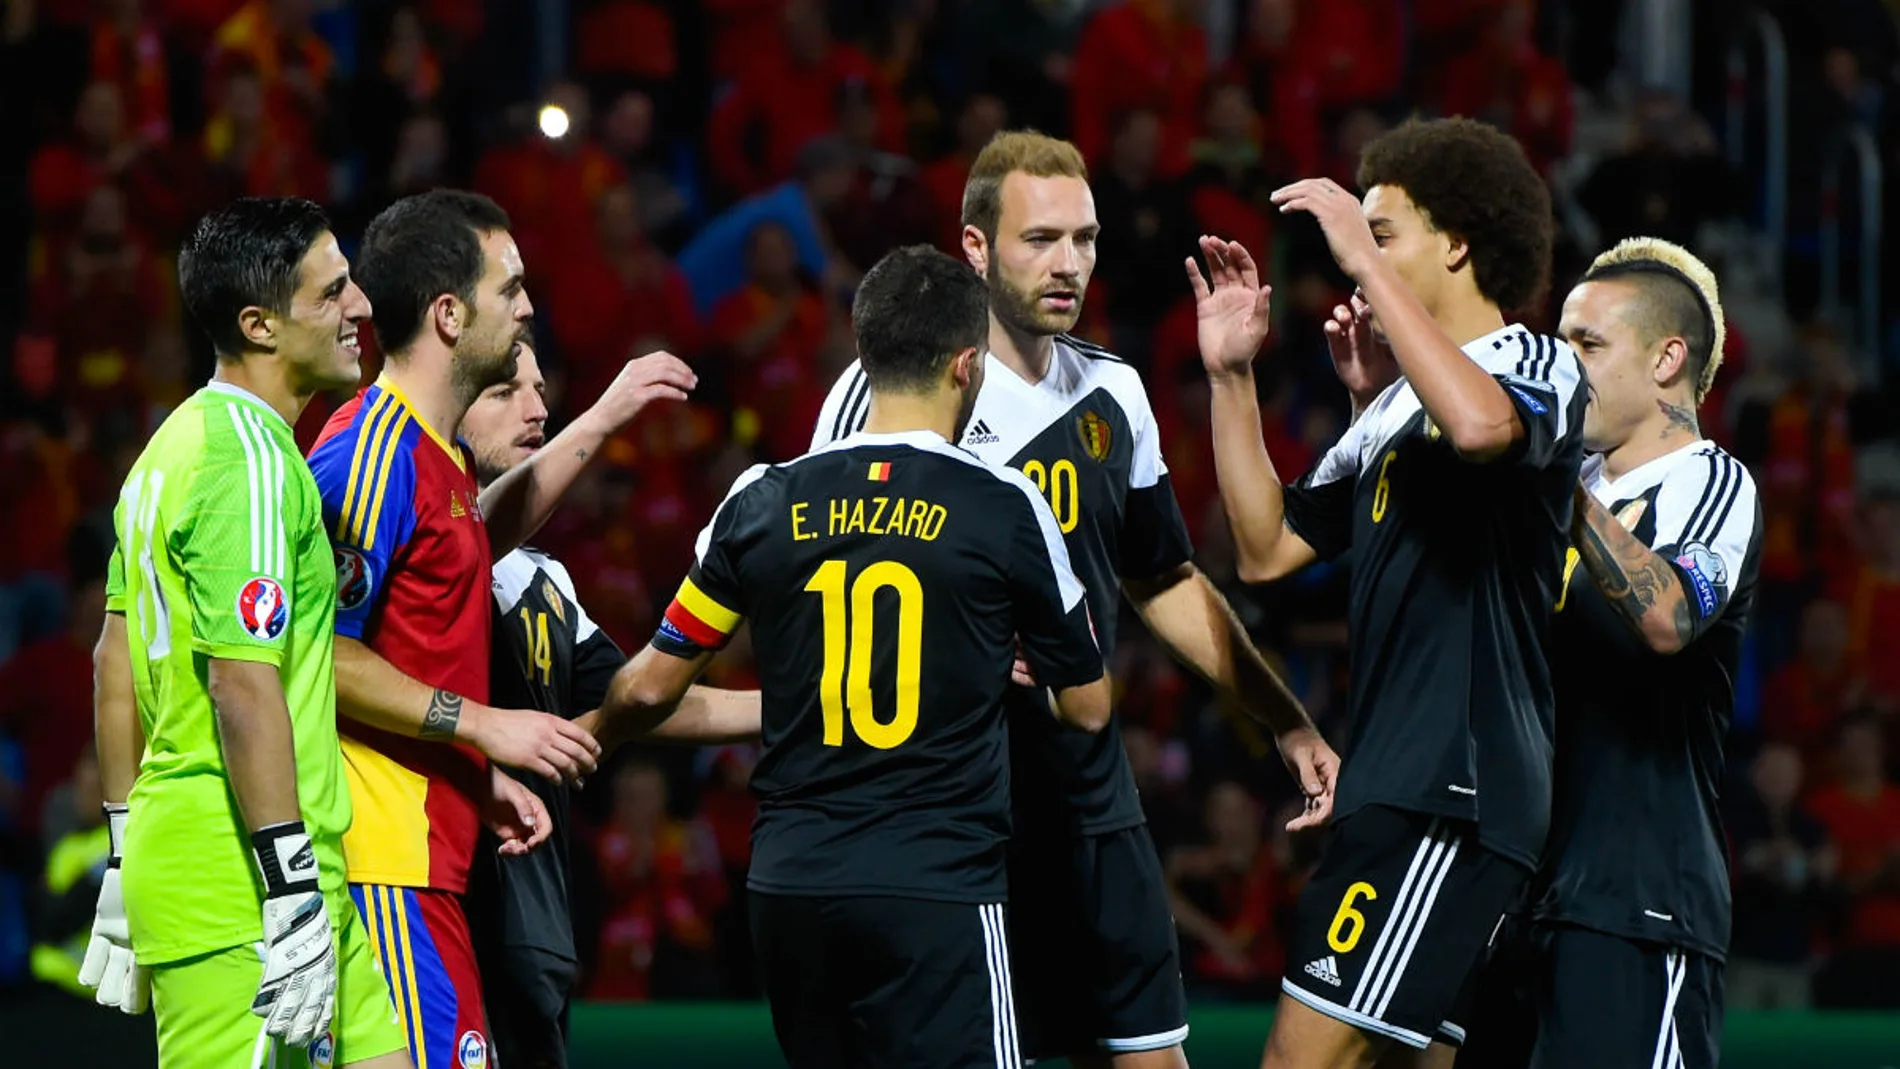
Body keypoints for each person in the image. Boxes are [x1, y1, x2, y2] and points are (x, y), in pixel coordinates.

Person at [811, 129, 1335, 1069]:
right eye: (1040, 239)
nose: (1070, 264)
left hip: (1092, 799)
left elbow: (1163, 578)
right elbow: (833, 602)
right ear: (975, 249)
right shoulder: (885, 391)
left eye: (1085, 239)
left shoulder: (1114, 393)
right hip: (954, 811)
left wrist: (1286, 721)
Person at [588, 245, 1114, 1069]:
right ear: (967, 365)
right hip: (934, 888)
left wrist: (592, 732)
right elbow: (1088, 706)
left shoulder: (758, 497)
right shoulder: (1003, 506)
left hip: (791, 891)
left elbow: (651, 687)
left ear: (862, 358)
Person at [1189, 116, 1584, 1067]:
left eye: (1386, 228)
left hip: (1454, 787)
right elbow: (1266, 549)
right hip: (1409, 780)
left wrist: (1362, 266)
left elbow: (1487, 429)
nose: (1361, 249)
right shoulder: (1398, 402)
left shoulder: (1531, 359)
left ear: (1457, 243)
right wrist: (1232, 377)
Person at [304, 188, 697, 1068]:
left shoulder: (432, 457)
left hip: (430, 865)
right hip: (381, 870)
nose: (527, 306)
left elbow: (475, 538)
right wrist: (485, 726)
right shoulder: (369, 453)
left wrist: (478, 781)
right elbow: (319, 652)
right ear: (448, 314)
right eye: (509, 288)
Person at [81, 197, 417, 1068]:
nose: (362, 309)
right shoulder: (251, 462)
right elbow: (239, 678)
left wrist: (123, 847)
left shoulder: (172, 447)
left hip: (286, 864)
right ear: (260, 325)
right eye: (332, 293)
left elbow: (113, 661)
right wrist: (287, 886)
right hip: (245, 876)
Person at [1481, 237, 1757, 1069]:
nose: (1564, 367)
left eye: (1588, 345)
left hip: (1639, 904)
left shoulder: (1709, 481)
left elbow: (1669, 616)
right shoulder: (1554, 492)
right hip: (1519, 898)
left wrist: (1558, 473)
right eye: (1560, 341)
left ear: (1667, 357)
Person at [458, 345, 762, 1069]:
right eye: (506, 391)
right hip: (452, 907)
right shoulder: (423, 558)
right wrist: (610, 410)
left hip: (538, 924)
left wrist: (802, 704)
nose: (536, 408)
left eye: (539, 388)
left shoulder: (545, 580)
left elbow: (644, 698)